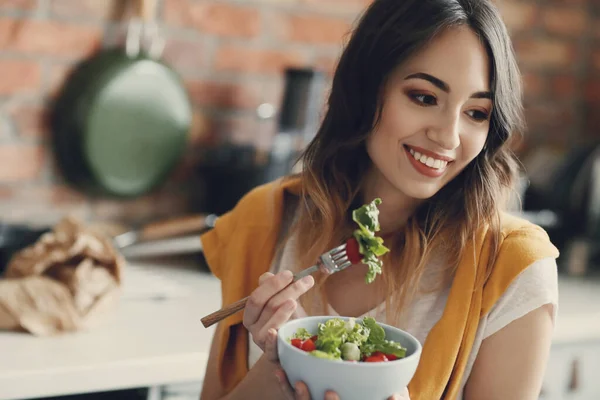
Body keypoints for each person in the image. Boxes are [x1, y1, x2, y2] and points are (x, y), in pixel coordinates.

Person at [199, 0, 560, 399]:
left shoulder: (512, 265)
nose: (449, 136)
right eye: (424, 97)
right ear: (367, 89)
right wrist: (282, 364)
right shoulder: (264, 220)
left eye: (476, 113)